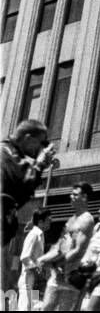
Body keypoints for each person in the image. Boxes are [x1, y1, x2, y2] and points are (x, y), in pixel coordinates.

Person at [1, 119, 54, 289]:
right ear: (29, 138)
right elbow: (21, 185)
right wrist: (39, 164)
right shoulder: (5, 154)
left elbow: (21, 193)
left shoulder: (13, 155)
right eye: (40, 143)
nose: (39, 149)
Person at [40, 181, 95, 311]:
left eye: (75, 194)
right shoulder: (71, 219)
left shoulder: (87, 219)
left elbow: (78, 249)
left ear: (84, 197)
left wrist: (56, 264)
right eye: (71, 194)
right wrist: (44, 259)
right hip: (57, 275)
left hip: (71, 277)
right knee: (46, 307)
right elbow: (60, 245)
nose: (71, 197)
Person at [17, 207, 50, 310]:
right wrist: (37, 270)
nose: (50, 222)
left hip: (35, 281)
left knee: (33, 308)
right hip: (28, 280)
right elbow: (24, 257)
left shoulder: (40, 235)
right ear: (41, 221)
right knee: (24, 308)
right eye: (48, 220)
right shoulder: (34, 234)